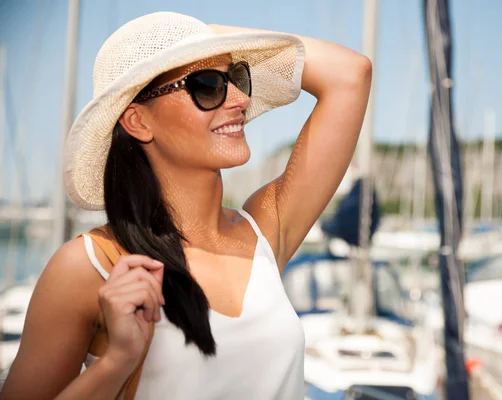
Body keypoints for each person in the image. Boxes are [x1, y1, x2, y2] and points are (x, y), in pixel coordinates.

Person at [0, 11, 371, 400]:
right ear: (138, 121)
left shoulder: (264, 230)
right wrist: (118, 362)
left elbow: (350, 73)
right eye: (208, 85)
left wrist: (205, 37)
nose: (241, 99)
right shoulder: (91, 265)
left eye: (237, 78)